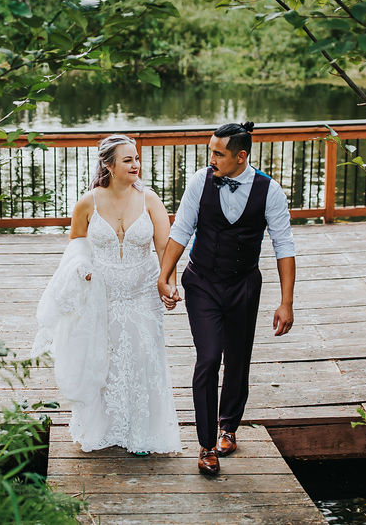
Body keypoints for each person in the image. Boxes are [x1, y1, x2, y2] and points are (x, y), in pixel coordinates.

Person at [157, 121, 296, 476]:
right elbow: (180, 230)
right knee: (208, 359)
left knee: (237, 358)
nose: (212, 158)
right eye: (211, 151)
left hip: (244, 286)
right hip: (201, 282)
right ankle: (205, 445)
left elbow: (284, 246)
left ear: (241, 156)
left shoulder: (271, 191)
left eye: (218, 153)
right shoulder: (198, 182)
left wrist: (286, 302)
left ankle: (228, 426)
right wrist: (164, 276)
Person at [31, 134, 181, 455]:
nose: (136, 165)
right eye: (128, 160)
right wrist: (83, 268)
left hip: (143, 289)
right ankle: (104, 427)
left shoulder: (151, 200)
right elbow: (77, 247)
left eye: (137, 158)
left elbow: (165, 249)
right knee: (105, 357)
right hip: (103, 292)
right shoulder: (88, 203)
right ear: (109, 166)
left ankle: (142, 434)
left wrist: (169, 283)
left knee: (143, 357)